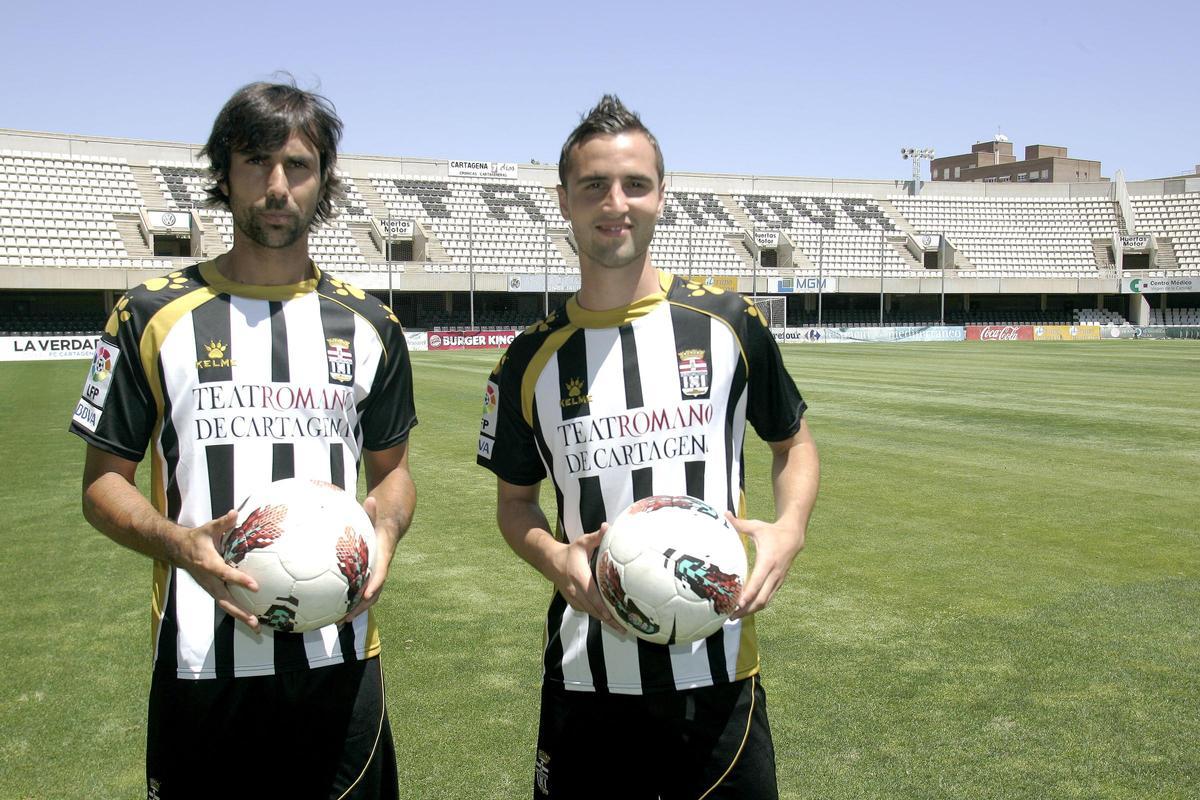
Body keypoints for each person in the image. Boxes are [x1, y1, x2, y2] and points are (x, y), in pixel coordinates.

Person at [70, 80, 416, 799]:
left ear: (324, 182)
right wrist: (180, 544)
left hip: (340, 657)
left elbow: (393, 476)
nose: (278, 186)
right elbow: (102, 485)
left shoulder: (373, 326)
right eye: (257, 162)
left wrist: (383, 534)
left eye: (299, 166)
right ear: (224, 175)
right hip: (201, 665)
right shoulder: (147, 316)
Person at [476, 95, 819, 799]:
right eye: (594, 185)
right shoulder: (528, 360)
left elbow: (795, 445)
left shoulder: (729, 323)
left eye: (635, 184)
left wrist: (790, 529)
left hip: (719, 675)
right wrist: (553, 557)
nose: (616, 203)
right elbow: (515, 505)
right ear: (564, 200)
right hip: (586, 680)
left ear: (662, 194)